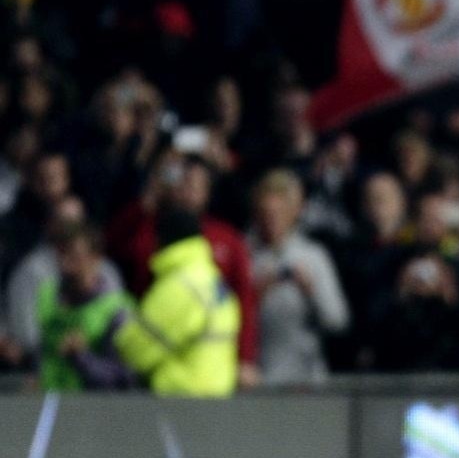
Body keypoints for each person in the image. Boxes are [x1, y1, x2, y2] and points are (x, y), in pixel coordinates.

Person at [114, 206, 241, 397]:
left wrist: (119, 330)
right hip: (218, 396)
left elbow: (136, 351)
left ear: (161, 239)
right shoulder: (212, 279)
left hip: (181, 399)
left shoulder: (180, 287)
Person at [247, 170, 350, 386]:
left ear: (293, 213)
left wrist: (311, 290)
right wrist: (255, 296)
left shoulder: (313, 256)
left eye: (279, 213)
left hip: (307, 380)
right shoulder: (245, 255)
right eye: (266, 214)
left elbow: (337, 321)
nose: (271, 221)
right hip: (259, 378)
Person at [34, 221, 135, 391]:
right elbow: (42, 354)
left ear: (96, 258)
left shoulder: (117, 310)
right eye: (61, 254)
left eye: (74, 256)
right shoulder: (47, 295)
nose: (65, 265)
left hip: (92, 405)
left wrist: (82, 358)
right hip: (49, 401)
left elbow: (122, 378)